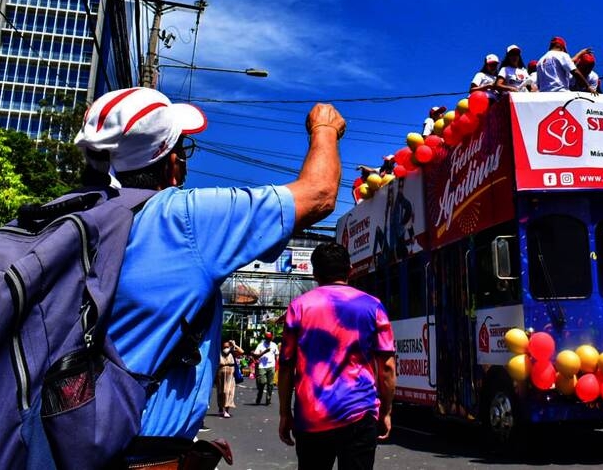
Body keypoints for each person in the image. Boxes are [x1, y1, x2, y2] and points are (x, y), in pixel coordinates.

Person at [72, 87, 345, 459]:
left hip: (64, 443)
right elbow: (318, 195)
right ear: (170, 163)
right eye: (182, 150)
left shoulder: (64, 218)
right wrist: (324, 129)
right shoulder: (183, 217)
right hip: (141, 453)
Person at [278, 242, 396, 470]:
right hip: (360, 413)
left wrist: (285, 413)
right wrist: (386, 411)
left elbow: (285, 366)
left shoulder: (298, 307)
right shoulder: (373, 307)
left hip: (312, 416)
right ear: (350, 269)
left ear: (315, 274)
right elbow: (387, 367)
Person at [217, 340, 243, 418]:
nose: (226, 349)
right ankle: (221, 408)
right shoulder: (219, 353)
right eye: (224, 347)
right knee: (221, 392)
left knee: (228, 392)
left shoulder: (232, 353)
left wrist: (234, 345)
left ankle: (226, 410)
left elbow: (241, 352)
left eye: (227, 347)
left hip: (230, 375)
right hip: (220, 374)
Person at [253, 331, 280, 405]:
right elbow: (255, 356)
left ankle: (268, 399)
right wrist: (265, 352)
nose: (269, 339)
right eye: (267, 338)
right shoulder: (260, 345)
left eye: (270, 338)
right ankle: (259, 396)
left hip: (271, 366)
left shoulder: (274, 345)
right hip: (262, 366)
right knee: (262, 382)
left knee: (270, 384)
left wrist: (277, 363)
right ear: (265, 338)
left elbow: (277, 355)